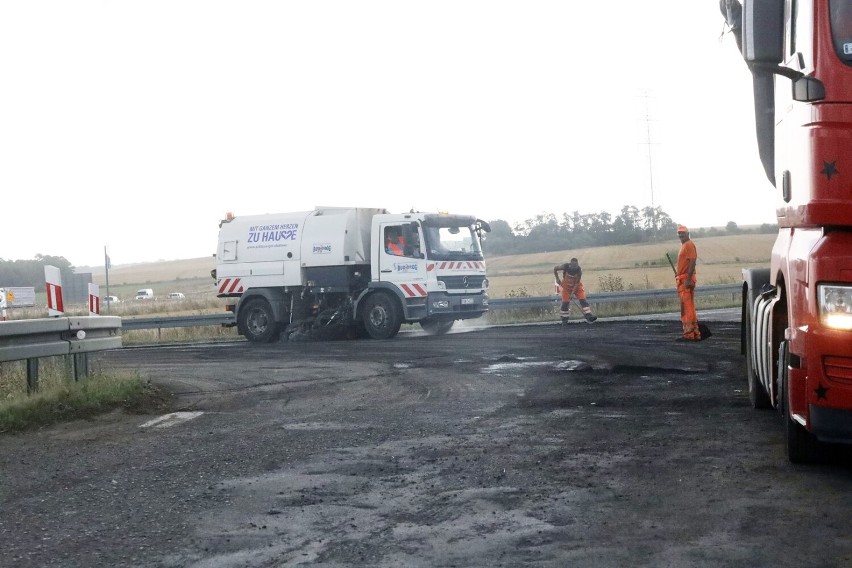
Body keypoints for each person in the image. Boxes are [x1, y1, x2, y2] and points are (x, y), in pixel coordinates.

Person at [675, 224, 701, 341]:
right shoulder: (684, 245)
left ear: (687, 233)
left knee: (687, 307)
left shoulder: (689, 245)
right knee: (687, 306)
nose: (680, 235)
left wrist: (688, 279)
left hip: (686, 279)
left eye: (682, 233)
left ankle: (689, 334)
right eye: (679, 233)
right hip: (683, 278)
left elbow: (692, 261)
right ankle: (694, 332)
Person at [553, 257, 597, 325]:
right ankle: (564, 319)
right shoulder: (565, 266)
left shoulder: (579, 270)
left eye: (575, 267)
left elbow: (577, 283)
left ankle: (589, 316)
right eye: (573, 267)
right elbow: (555, 269)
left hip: (577, 287)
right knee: (565, 303)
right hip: (566, 287)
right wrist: (557, 279)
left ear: (577, 265)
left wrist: (572, 293)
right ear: (570, 264)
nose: (574, 269)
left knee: (583, 300)